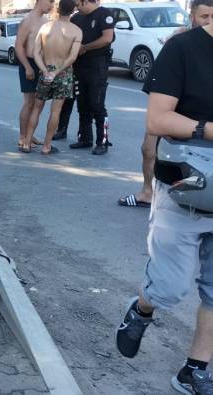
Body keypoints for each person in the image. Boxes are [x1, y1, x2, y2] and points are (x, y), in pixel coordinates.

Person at [115, 21, 213, 395]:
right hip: (183, 189)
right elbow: (157, 119)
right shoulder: (183, 49)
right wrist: (208, 129)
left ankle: (194, 370)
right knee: (169, 289)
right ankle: (142, 309)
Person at [118, 0, 212, 208]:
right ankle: (147, 192)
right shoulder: (180, 40)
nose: (208, 20)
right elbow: (161, 87)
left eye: (211, 16)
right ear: (192, 17)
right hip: (169, 116)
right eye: (204, 16)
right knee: (148, 150)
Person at [21, 0, 82, 154]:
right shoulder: (76, 31)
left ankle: (27, 142)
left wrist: (45, 70)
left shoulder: (45, 27)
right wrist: (56, 72)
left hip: (45, 71)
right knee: (56, 111)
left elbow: (36, 53)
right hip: (63, 73)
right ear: (73, 10)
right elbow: (72, 57)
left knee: (37, 107)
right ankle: (47, 146)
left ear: (59, 9)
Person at [66, 0, 115, 155]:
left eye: (78, 4)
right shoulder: (76, 18)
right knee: (82, 104)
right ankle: (85, 138)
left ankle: (103, 141)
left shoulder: (104, 14)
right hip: (79, 66)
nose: (76, 8)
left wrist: (85, 48)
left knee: (97, 104)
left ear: (86, 1)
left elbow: (107, 38)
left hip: (97, 66)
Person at [15, 0, 53, 150]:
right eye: (50, 2)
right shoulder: (27, 20)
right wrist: (27, 67)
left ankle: (30, 134)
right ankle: (23, 137)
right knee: (29, 102)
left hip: (41, 64)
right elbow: (18, 46)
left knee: (38, 103)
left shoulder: (45, 20)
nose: (51, 6)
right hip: (29, 63)